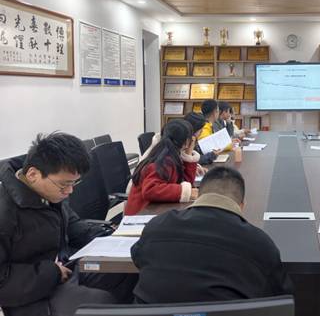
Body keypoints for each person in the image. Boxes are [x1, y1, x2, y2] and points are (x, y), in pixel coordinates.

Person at [0, 133, 128, 316]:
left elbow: (73, 227)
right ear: (33, 174)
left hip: (63, 270)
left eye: (74, 183)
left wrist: (110, 235)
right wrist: (52, 273)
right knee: (101, 303)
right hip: (31, 296)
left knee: (128, 273)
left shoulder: (49, 193)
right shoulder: (5, 211)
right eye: (64, 185)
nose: (70, 191)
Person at [131, 166, 293, 303]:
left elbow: (138, 257)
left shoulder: (157, 226)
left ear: (198, 195)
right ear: (242, 205)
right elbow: (280, 296)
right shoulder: (259, 243)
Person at [125, 120, 199, 215]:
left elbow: (186, 182)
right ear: (186, 141)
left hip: (152, 210)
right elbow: (150, 190)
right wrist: (185, 191)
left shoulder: (171, 155)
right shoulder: (163, 161)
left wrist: (188, 154)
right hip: (139, 215)